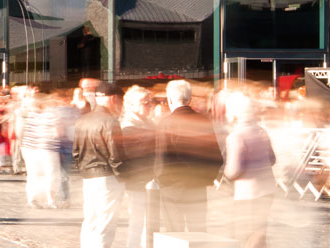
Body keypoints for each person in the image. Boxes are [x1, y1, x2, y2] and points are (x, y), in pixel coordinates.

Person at [157, 79, 222, 232]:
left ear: (170, 99)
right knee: (198, 233)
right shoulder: (203, 121)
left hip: (173, 188)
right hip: (197, 186)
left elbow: (161, 159)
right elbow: (217, 156)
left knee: (174, 234)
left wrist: (163, 181)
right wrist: (207, 178)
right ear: (190, 98)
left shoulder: (166, 123)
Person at [222, 91, 276, 248]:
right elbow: (272, 159)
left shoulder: (235, 137)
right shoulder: (261, 131)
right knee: (260, 233)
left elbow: (234, 170)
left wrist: (226, 173)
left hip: (248, 193)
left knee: (247, 236)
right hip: (267, 189)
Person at [73, 82, 125, 248]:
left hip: (88, 176)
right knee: (106, 223)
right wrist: (122, 175)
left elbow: (76, 151)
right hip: (107, 176)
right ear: (114, 99)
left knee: (91, 220)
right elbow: (116, 154)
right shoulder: (110, 121)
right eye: (120, 101)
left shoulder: (82, 120)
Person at [117, 86, 160, 248]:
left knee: (148, 221)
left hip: (149, 179)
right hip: (137, 180)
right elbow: (136, 152)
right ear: (131, 105)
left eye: (151, 102)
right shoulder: (128, 125)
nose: (150, 105)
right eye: (145, 103)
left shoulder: (148, 123)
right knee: (138, 221)